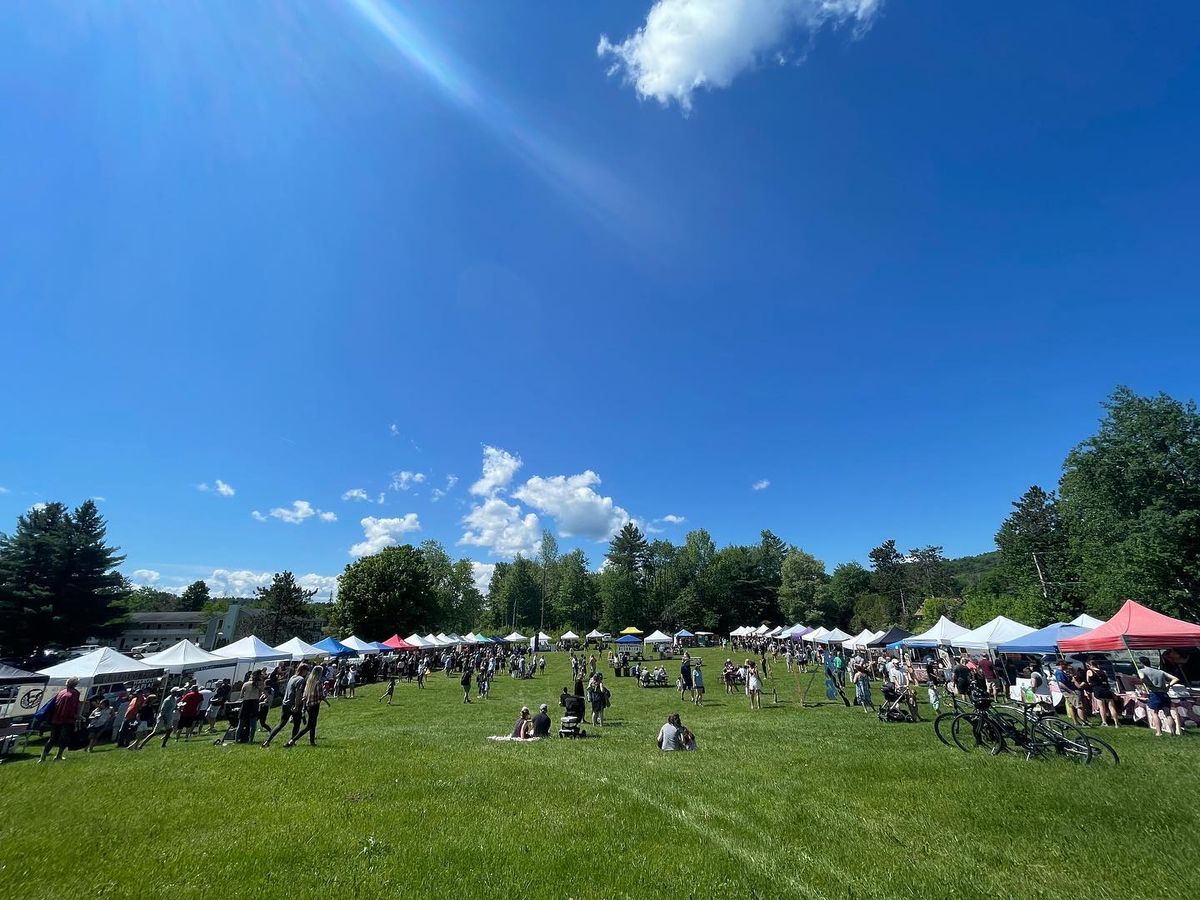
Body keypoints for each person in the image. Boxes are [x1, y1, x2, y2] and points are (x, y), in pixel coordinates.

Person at [264, 663, 309, 748]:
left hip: (285, 703)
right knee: (297, 723)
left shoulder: (292, 677)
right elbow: (298, 694)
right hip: (293, 704)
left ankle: (267, 741)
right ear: (304, 670)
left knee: (281, 723)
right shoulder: (301, 679)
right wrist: (296, 705)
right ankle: (292, 741)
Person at [1137, 656, 1183, 736]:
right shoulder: (1160, 672)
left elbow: (1142, 677)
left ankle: (1159, 732)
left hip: (1154, 693)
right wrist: (1168, 686)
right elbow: (1175, 678)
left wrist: (1143, 682)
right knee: (1168, 713)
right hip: (1164, 694)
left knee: (1155, 713)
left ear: (1141, 663)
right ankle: (1173, 733)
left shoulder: (1141, 670)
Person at [285, 665, 329, 747]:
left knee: (313, 724)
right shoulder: (318, 682)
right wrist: (326, 697)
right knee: (310, 725)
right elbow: (320, 695)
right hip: (315, 705)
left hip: (308, 705)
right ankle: (292, 740)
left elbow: (304, 694)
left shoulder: (309, 681)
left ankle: (312, 742)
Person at [39, 677, 82, 762]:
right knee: (64, 738)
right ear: (76, 684)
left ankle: (42, 757)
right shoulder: (75, 693)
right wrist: (76, 716)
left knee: (52, 738)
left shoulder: (61, 692)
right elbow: (73, 706)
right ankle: (58, 755)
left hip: (56, 718)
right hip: (67, 719)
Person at [1085, 660, 1120, 728]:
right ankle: (1116, 723)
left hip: (1098, 690)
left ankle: (1104, 722)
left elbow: (1088, 681)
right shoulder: (1103, 671)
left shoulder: (1089, 671)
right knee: (1111, 707)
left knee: (1102, 707)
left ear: (1090, 665)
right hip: (1106, 689)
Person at [236, 672, 265, 743]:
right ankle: (250, 740)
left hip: (246, 703)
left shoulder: (245, 684)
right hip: (254, 703)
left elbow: (241, 696)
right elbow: (260, 695)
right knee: (253, 724)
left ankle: (236, 739)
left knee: (241, 724)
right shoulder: (259, 685)